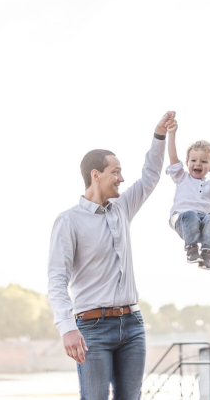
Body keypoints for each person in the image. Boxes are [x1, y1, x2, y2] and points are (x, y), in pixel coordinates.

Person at [47, 111, 175, 400]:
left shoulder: (122, 208)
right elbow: (56, 279)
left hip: (132, 325)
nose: (121, 178)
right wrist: (67, 327)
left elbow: (150, 176)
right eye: (115, 172)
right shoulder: (69, 221)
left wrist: (159, 136)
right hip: (91, 328)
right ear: (96, 175)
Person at [165, 119, 210, 270]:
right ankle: (191, 250)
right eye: (194, 160)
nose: (198, 164)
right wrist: (171, 133)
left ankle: (206, 253)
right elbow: (172, 157)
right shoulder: (182, 177)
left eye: (203, 162)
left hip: (203, 225)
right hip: (183, 221)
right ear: (187, 163)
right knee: (191, 214)